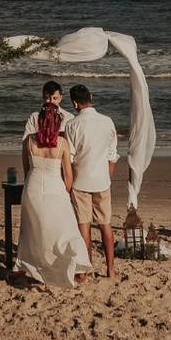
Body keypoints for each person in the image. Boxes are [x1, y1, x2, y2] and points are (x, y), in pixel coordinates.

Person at [13, 103, 91, 287]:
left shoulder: (29, 141)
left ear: (40, 122)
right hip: (55, 188)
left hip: (32, 188)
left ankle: (33, 268)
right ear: (57, 123)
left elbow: (27, 170)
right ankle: (78, 271)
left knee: (33, 232)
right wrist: (65, 194)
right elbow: (68, 176)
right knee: (66, 230)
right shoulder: (62, 143)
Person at [64, 84, 118, 280]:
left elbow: (69, 159)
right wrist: (108, 178)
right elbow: (113, 156)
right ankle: (110, 270)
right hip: (102, 181)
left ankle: (85, 271)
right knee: (105, 225)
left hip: (80, 182)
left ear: (74, 104)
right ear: (91, 97)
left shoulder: (72, 125)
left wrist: (67, 184)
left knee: (83, 227)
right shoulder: (107, 121)